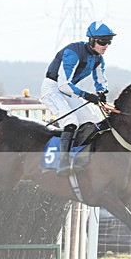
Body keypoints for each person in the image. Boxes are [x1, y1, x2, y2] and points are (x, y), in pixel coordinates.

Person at [41, 21, 115, 175]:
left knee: (94, 117)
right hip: (53, 88)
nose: (106, 45)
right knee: (71, 121)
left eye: (109, 42)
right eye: (102, 41)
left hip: (68, 91)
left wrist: (101, 93)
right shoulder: (73, 52)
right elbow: (63, 84)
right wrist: (86, 95)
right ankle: (63, 163)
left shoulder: (98, 59)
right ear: (91, 40)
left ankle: (83, 157)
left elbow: (100, 80)